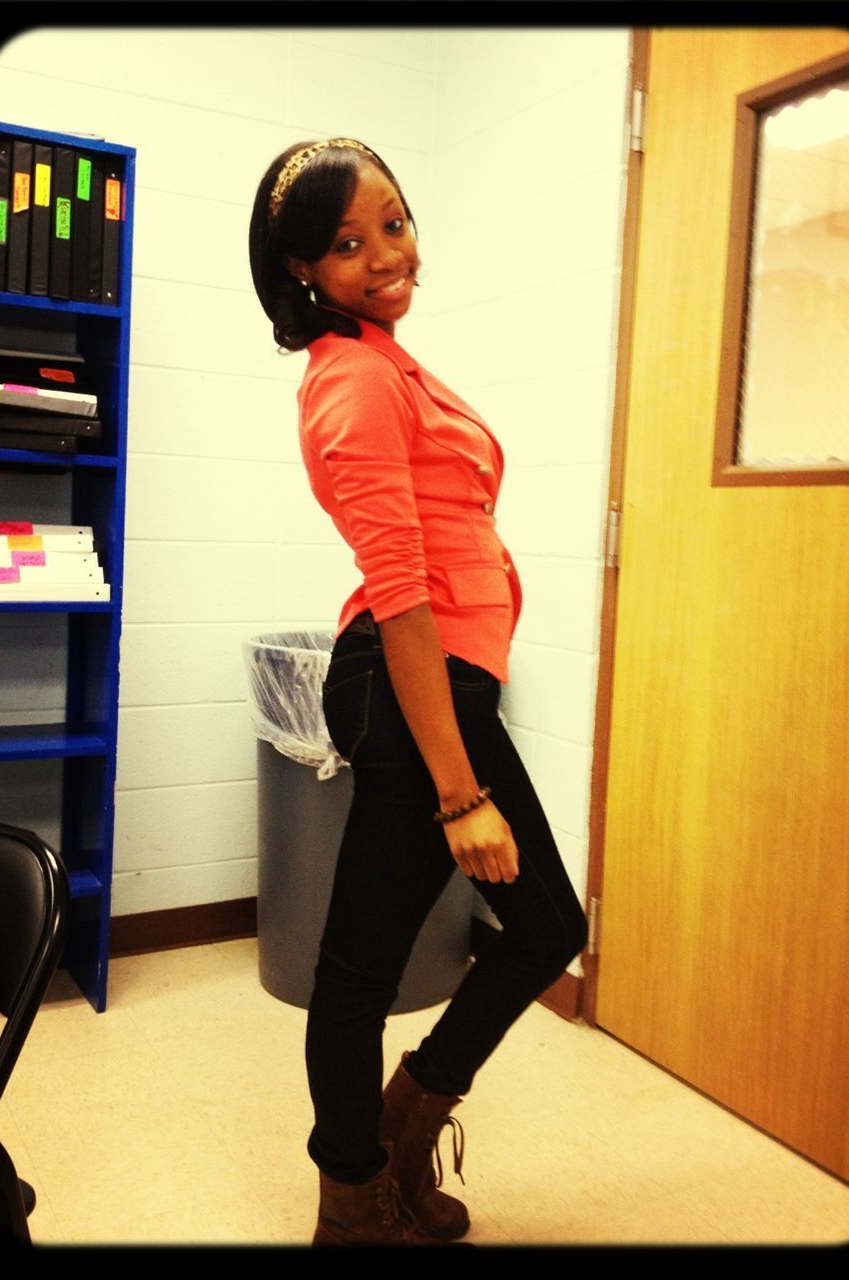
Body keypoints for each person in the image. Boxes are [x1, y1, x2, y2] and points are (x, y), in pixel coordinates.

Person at [249, 137, 588, 1247]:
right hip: (412, 682)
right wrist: (458, 791)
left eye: (392, 223)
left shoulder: (387, 357)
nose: (385, 252)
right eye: (347, 243)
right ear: (305, 269)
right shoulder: (350, 379)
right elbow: (400, 597)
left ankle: (403, 1124)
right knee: (361, 968)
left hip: (447, 683)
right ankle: (351, 1200)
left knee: (543, 924)